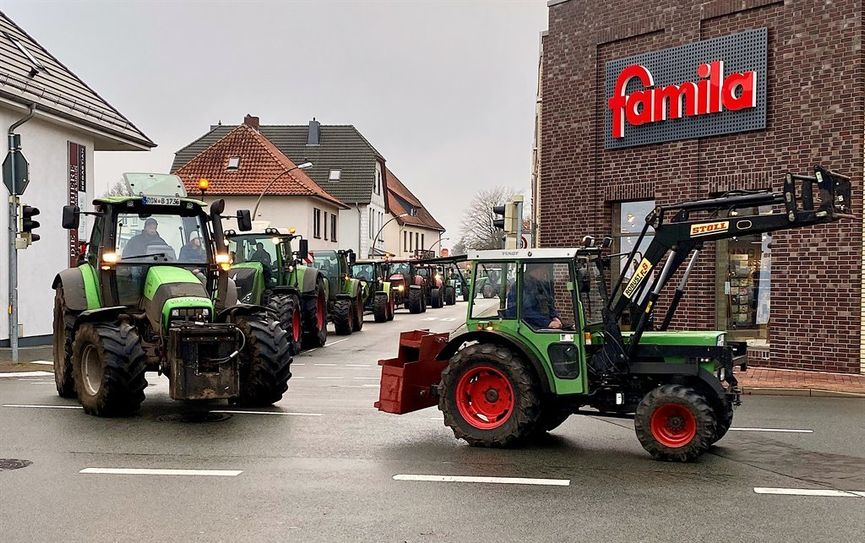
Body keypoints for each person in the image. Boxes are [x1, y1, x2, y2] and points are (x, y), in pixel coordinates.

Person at [520, 263, 562, 329]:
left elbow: (549, 303)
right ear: (537, 270)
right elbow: (527, 312)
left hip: (541, 323)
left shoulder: (541, 284)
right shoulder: (522, 286)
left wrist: (555, 317)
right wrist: (547, 323)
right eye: (544, 269)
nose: (545, 273)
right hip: (528, 326)